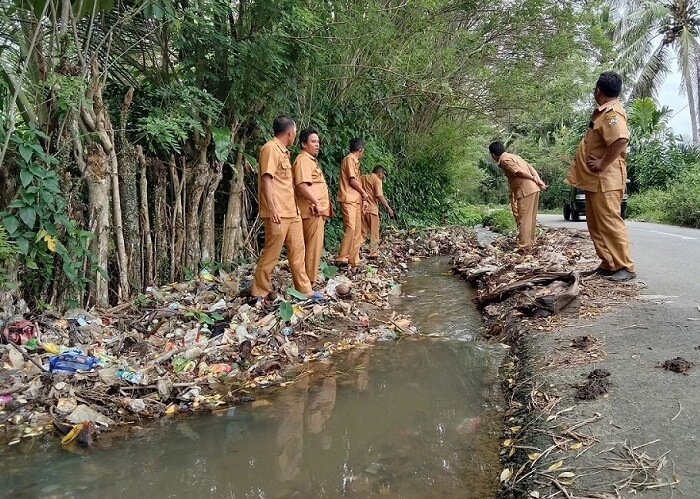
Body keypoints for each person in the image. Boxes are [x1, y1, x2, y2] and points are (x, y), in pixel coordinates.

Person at [565, 71, 636, 281]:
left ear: (598, 90)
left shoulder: (613, 113)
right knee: (595, 223)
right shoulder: (603, 113)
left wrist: (602, 163)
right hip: (595, 181)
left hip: (606, 179)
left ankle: (625, 266)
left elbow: (621, 140)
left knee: (610, 222)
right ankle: (608, 263)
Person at [251, 116, 325, 302]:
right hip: (278, 213)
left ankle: (305, 289)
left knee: (298, 252)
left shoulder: (284, 152)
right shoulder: (270, 149)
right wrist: (272, 208)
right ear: (290, 132)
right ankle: (258, 292)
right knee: (271, 253)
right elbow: (266, 179)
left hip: (292, 212)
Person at [292, 128, 332, 283]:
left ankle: (308, 281)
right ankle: (308, 282)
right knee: (312, 249)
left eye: (318, 142)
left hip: (315, 211)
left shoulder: (309, 160)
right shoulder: (303, 160)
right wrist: (316, 202)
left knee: (313, 248)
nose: (317, 145)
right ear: (303, 144)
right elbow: (302, 185)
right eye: (313, 141)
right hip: (311, 211)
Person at [488, 142, 546, 247]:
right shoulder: (514, 156)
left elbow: (519, 172)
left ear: (493, 155)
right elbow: (530, 167)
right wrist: (538, 179)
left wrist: (534, 179)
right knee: (530, 219)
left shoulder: (505, 160)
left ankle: (524, 246)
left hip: (525, 190)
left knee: (523, 219)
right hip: (533, 189)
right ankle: (529, 244)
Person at [335, 138, 369, 267]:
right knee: (350, 227)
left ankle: (354, 259)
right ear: (361, 150)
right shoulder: (349, 159)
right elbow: (352, 180)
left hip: (356, 200)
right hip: (348, 199)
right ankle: (342, 256)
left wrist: (363, 198)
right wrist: (364, 193)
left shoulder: (355, 162)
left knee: (357, 230)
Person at [361, 165, 394, 258]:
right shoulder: (377, 180)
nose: (382, 178)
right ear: (380, 174)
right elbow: (379, 195)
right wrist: (388, 208)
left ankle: (353, 251)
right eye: (382, 176)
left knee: (361, 232)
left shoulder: (362, 177)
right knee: (374, 232)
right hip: (372, 209)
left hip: (361, 208)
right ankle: (373, 252)